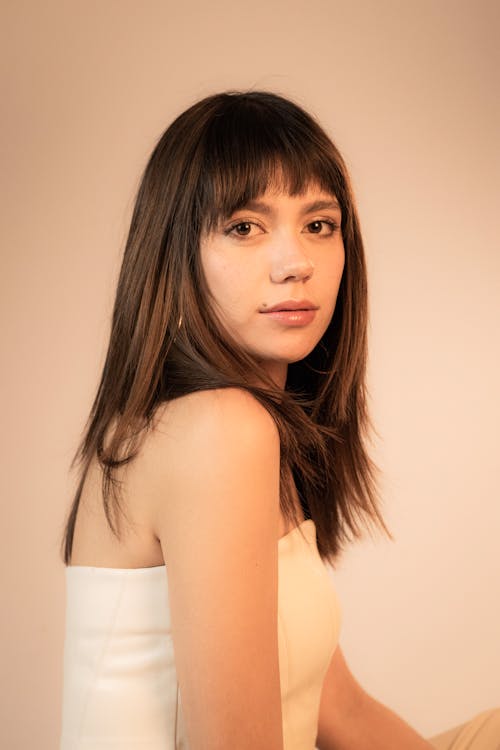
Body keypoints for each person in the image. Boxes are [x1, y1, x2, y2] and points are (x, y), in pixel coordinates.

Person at [59, 91, 499, 750]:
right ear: (174, 256)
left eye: (319, 225)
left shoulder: (233, 425)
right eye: (244, 226)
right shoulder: (219, 430)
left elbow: (341, 711)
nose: (296, 263)